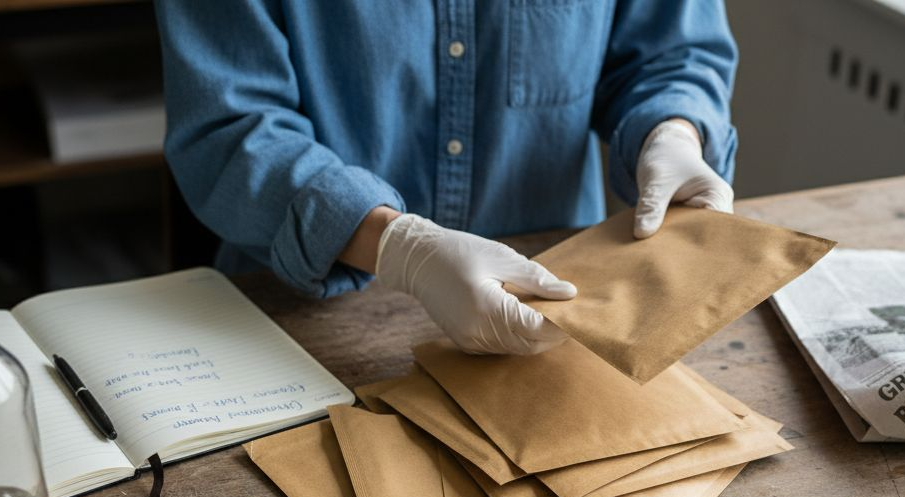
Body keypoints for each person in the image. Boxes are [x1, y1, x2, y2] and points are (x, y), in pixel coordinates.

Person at [155, 2, 737, 355]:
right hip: (300, 323)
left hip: (554, 313)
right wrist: (402, 249)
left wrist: (675, 131)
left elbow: (671, 53)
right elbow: (229, 124)